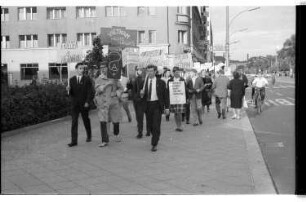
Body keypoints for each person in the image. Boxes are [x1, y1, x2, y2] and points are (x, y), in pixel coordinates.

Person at [140, 65, 170, 152]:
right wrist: (141, 94)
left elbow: (165, 96)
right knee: (150, 125)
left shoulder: (161, 82)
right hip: (148, 105)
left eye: (151, 71)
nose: (149, 73)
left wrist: (167, 107)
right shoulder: (144, 83)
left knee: (156, 125)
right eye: (148, 71)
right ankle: (155, 135)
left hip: (157, 105)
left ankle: (154, 143)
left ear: (155, 72)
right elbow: (141, 96)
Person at [94, 65, 124, 147]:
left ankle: (116, 134)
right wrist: (107, 84)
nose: (103, 69)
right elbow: (97, 90)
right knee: (103, 121)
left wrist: (117, 93)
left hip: (114, 101)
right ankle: (105, 140)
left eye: (105, 67)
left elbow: (121, 88)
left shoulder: (114, 78)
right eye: (102, 68)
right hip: (104, 103)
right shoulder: (98, 79)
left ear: (108, 68)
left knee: (115, 119)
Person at [66, 62, 92, 147]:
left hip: (84, 104)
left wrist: (87, 102)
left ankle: (89, 135)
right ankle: (74, 141)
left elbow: (89, 92)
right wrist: (68, 90)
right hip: (75, 105)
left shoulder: (87, 79)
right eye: (80, 68)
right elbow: (71, 93)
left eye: (83, 68)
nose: (82, 70)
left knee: (86, 120)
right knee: (74, 122)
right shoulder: (71, 79)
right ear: (76, 69)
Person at [167, 66, 188, 132]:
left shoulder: (182, 80)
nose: (177, 73)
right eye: (176, 72)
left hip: (181, 98)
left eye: (178, 72)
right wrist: (168, 99)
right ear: (173, 73)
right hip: (173, 98)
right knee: (175, 113)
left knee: (179, 112)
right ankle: (177, 125)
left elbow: (185, 89)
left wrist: (187, 98)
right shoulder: (170, 80)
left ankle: (180, 125)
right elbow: (168, 90)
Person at [132, 66, 150, 139]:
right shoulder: (135, 79)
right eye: (138, 70)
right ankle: (140, 132)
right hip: (139, 101)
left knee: (147, 117)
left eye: (140, 69)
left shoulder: (148, 79)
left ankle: (147, 131)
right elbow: (134, 90)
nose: (140, 71)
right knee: (140, 118)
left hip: (146, 101)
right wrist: (137, 97)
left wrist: (144, 93)